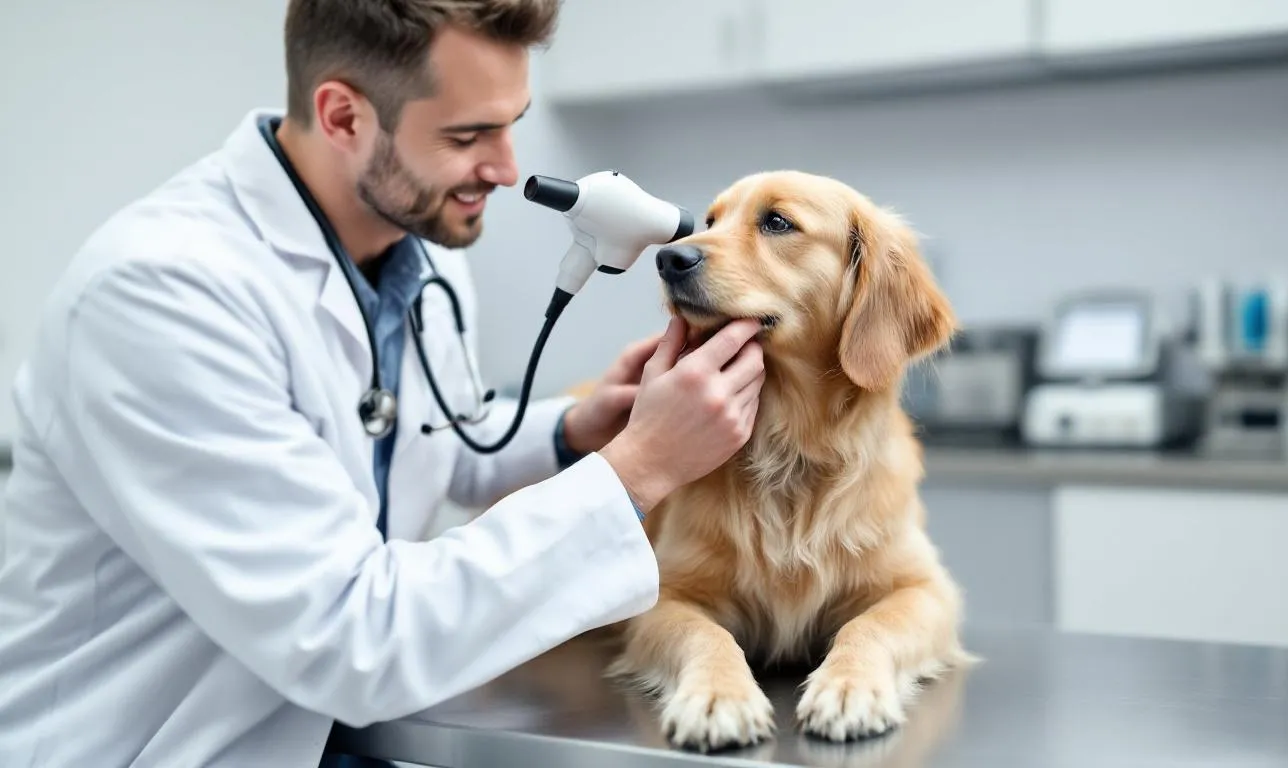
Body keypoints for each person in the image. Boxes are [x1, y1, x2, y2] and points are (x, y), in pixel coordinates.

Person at [0, 1, 766, 766]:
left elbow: (441, 445)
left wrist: (573, 432)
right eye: (467, 136)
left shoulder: (422, 251)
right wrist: (642, 467)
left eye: (510, 124)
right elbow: (350, 637)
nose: (506, 169)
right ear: (342, 117)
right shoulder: (160, 297)